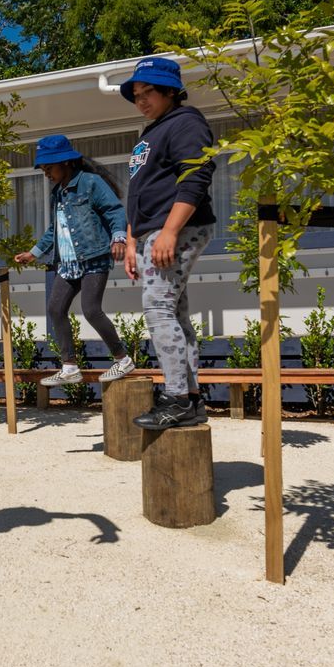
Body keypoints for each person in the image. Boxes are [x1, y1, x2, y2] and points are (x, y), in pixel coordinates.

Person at [120, 57, 216, 430]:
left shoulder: (186, 123)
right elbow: (138, 192)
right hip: (150, 233)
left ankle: (175, 398)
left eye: (149, 93)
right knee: (174, 313)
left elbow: (196, 177)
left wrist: (170, 232)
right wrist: (131, 242)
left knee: (158, 310)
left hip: (175, 228)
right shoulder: (151, 132)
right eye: (137, 95)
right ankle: (190, 398)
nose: (141, 100)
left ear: (171, 91)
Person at [11, 135, 136, 388]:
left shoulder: (91, 183)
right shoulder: (56, 194)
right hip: (67, 263)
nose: (46, 173)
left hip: (93, 257)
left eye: (49, 167)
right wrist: (33, 253)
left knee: (91, 309)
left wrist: (119, 238)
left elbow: (114, 211)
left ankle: (123, 359)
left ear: (66, 162)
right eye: (43, 168)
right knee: (55, 309)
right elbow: (53, 230)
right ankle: (69, 367)